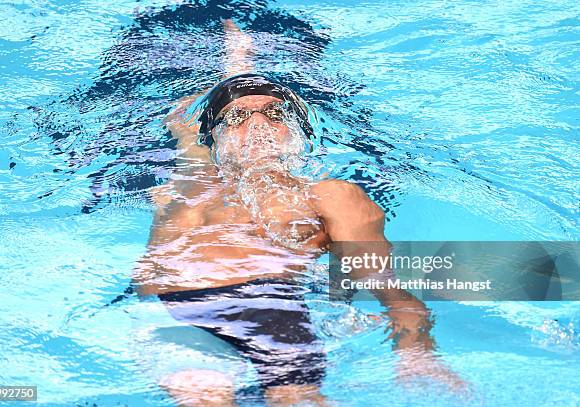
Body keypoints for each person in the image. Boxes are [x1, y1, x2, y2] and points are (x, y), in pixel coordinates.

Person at [132, 19, 464, 406]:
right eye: (237, 119)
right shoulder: (192, 176)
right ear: (217, 135)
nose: (257, 125)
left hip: (270, 310)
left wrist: (417, 352)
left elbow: (391, 292)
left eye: (275, 115)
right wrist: (238, 59)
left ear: (297, 132)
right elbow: (186, 118)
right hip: (166, 314)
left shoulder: (329, 196)